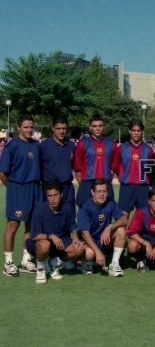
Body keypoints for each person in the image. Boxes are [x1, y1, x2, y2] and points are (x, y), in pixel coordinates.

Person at [0, 114, 41, 277]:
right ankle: (8, 263)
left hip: (35, 189)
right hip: (18, 188)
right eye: (26, 127)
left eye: (31, 127)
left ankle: (26, 260)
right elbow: (3, 173)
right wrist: (13, 188)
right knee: (13, 226)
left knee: (30, 226)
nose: (29, 130)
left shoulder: (36, 145)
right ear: (19, 127)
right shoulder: (12, 146)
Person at [25, 181, 84, 284]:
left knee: (79, 249)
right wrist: (51, 236)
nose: (52, 199)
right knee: (44, 245)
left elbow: (72, 227)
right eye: (49, 196)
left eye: (55, 195)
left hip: (59, 242)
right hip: (40, 242)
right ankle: (40, 268)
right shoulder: (39, 210)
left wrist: (75, 238)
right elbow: (34, 236)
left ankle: (54, 263)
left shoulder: (66, 208)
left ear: (61, 194)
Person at [77, 179, 128, 276]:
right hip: (89, 242)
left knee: (121, 229)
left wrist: (110, 227)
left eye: (104, 191)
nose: (102, 194)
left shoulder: (110, 202)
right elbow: (85, 234)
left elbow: (124, 220)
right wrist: (97, 252)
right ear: (92, 192)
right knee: (89, 254)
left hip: (104, 240)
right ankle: (85, 263)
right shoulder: (85, 207)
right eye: (99, 191)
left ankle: (114, 264)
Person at [74, 113, 118, 207]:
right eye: (94, 126)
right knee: (85, 212)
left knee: (106, 213)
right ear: (90, 127)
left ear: (104, 127)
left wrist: (107, 179)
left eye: (100, 126)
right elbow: (78, 168)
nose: (97, 128)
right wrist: (84, 185)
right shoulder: (82, 144)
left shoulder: (111, 144)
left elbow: (113, 166)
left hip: (105, 182)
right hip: (87, 182)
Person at [113, 119, 154, 214]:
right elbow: (117, 167)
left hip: (143, 188)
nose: (136, 133)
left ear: (142, 131)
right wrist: (124, 176)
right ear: (129, 131)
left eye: (138, 131)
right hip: (126, 187)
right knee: (123, 217)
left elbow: (151, 171)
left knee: (143, 217)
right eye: (134, 130)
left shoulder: (149, 150)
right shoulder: (121, 149)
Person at [39, 115, 76, 213]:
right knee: (50, 220)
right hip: (50, 189)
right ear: (52, 128)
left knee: (69, 219)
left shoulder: (71, 145)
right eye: (58, 128)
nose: (62, 131)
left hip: (67, 188)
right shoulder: (43, 146)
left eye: (64, 128)